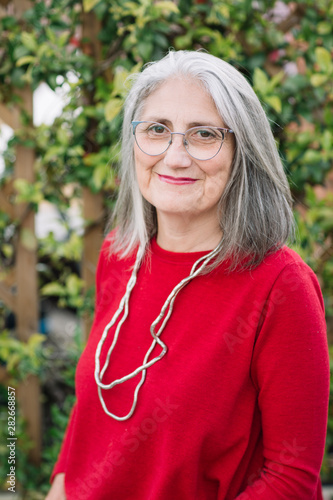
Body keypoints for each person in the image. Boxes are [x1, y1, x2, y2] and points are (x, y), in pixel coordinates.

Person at [46, 50, 329, 500]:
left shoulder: (281, 285)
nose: (174, 157)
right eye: (156, 130)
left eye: (203, 135)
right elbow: (92, 416)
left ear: (243, 152)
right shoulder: (120, 255)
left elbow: (290, 479)